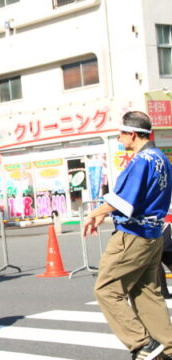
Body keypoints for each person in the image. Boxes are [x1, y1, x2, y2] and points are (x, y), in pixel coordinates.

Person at [83, 111, 172, 360]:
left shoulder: (142, 159)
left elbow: (124, 200)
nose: (120, 138)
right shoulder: (161, 158)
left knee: (107, 289)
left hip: (133, 234)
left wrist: (94, 213)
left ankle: (142, 344)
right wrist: (103, 212)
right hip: (154, 234)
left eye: (121, 134)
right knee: (146, 291)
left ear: (132, 134)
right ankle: (168, 347)